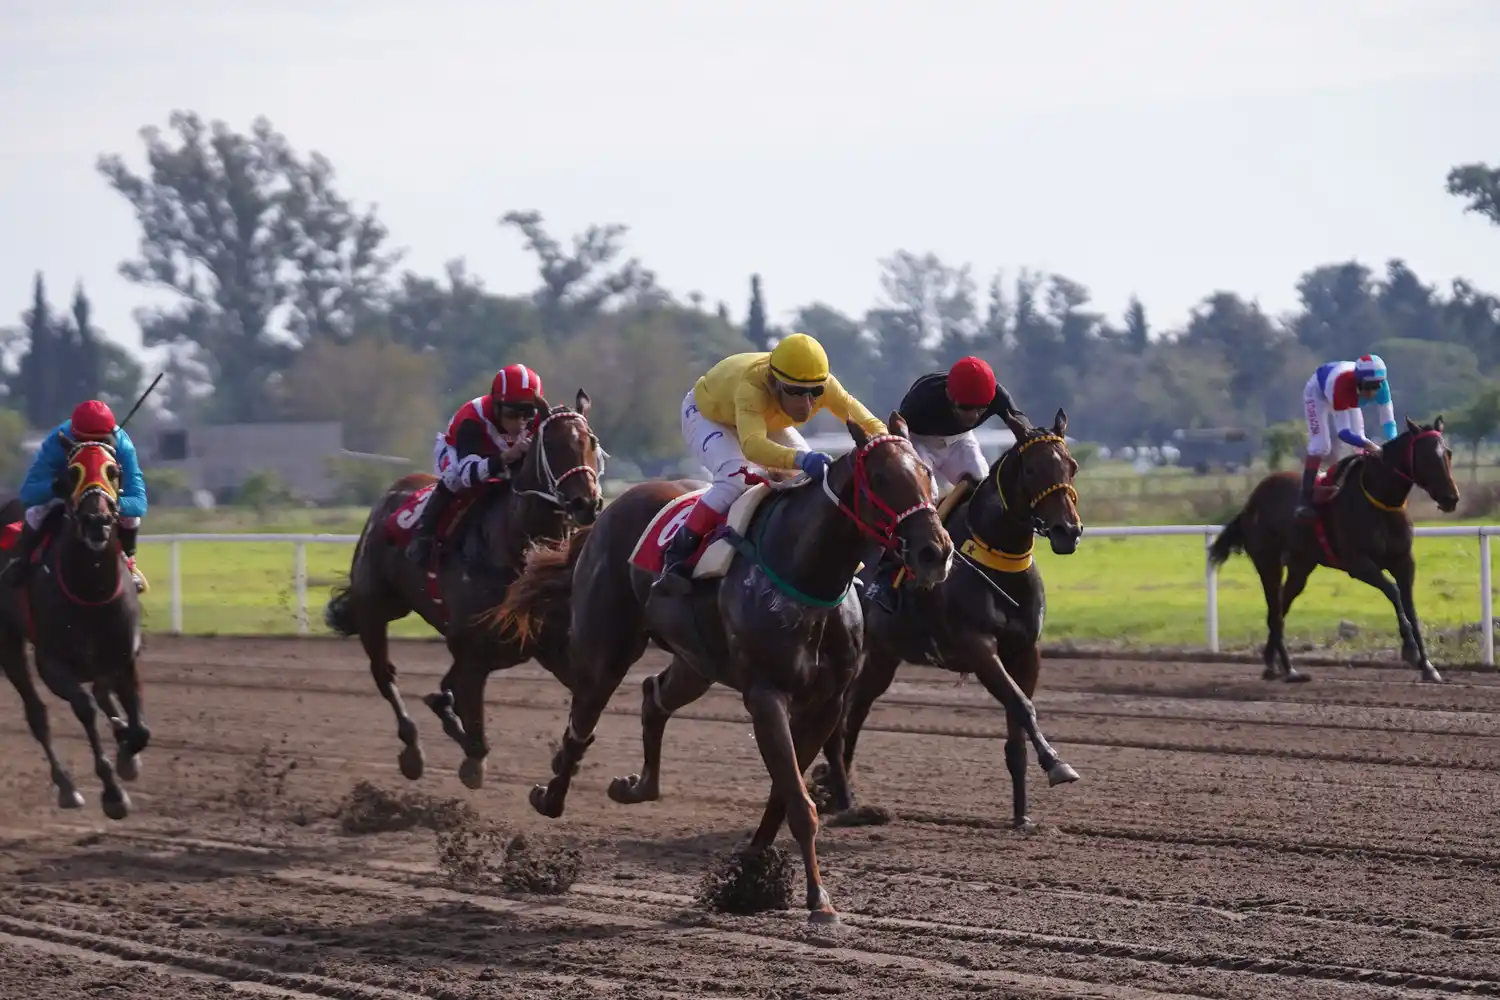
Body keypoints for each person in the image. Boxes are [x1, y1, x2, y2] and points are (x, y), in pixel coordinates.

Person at [653, 332, 887, 595]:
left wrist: (890, 444)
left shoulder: (825, 384)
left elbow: (868, 422)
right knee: (735, 479)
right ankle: (678, 555)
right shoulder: (752, 386)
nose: (807, 403)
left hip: (767, 418)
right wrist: (799, 458)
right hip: (711, 415)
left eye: (815, 392)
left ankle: (833, 564)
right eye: (796, 392)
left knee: (815, 482)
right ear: (775, 382)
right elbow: (753, 446)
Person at [864, 356, 1024, 613]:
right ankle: (885, 577)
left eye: (980, 410)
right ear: (949, 394)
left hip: (959, 442)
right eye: (965, 408)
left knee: (983, 487)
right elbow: (899, 441)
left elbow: (1022, 428)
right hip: (917, 441)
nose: (972, 416)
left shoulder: (997, 396)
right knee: (922, 501)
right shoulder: (923, 397)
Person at [2, 400, 149, 591]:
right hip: (66, 496)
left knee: (132, 518)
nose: (91, 449)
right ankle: (22, 560)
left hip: (105, 502)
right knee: (36, 511)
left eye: (101, 442)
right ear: (73, 434)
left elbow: (139, 502)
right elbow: (28, 493)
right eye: (82, 442)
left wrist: (109, 502)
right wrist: (55, 488)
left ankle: (129, 563)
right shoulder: (57, 440)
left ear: (110, 438)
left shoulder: (123, 445)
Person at [405, 363, 542, 565]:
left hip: (498, 453)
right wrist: (506, 457)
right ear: (496, 406)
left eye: (528, 413)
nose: (521, 422)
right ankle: (424, 535)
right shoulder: (472, 419)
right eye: (512, 413)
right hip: (458, 452)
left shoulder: (537, 420)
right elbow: (468, 476)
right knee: (454, 478)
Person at [1296, 353, 1396, 520]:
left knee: (1359, 446)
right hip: (1319, 392)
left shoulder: (1382, 387)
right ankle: (1304, 499)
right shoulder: (1342, 385)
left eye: (1377, 385)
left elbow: (1389, 423)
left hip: (1348, 394)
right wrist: (1371, 445)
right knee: (1321, 445)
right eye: (1368, 386)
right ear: (1358, 381)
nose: (1372, 392)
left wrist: (1392, 445)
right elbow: (1343, 432)